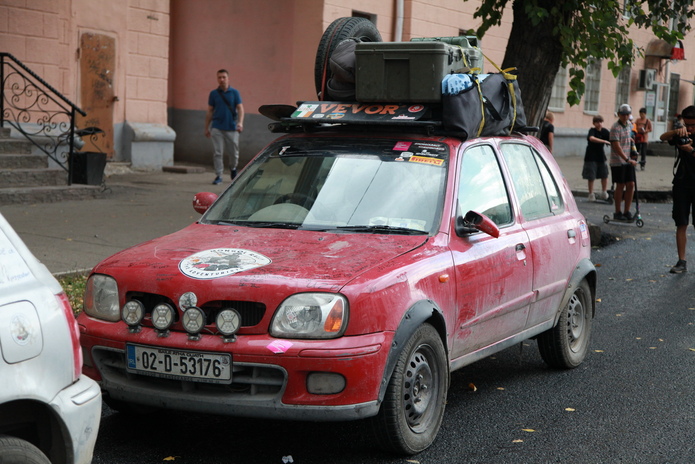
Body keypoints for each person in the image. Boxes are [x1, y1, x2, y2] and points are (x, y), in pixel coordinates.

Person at [659, 105, 695, 273]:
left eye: (693, 125)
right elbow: (662, 136)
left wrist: (692, 150)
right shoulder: (682, 133)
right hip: (682, 183)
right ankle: (681, 261)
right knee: (681, 223)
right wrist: (676, 132)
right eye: (686, 124)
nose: (689, 128)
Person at [205, 69, 244, 185]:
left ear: (228, 78)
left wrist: (240, 123)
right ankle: (219, 175)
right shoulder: (213, 94)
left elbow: (240, 108)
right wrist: (206, 127)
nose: (221, 79)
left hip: (232, 127)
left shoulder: (235, 93)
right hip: (217, 127)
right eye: (219, 77)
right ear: (217, 79)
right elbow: (210, 111)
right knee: (218, 152)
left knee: (234, 152)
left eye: (224, 77)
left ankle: (233, 168)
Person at [609, 104, 638, 221]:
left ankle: (627, 211)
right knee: (620, 185)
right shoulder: (615, 127)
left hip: (628, 160)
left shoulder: (629, 125)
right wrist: (626, 159)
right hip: (618, 161)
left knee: (631, 184)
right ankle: (617, 212)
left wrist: (633, 151)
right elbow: (616, 146)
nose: (625, 117)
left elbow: (629, 139)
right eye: (623, 114)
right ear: (619, 114)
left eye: (627, 114)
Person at [582, 115, 610, 202]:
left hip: (601, 156)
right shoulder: (592, 131)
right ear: (594, 123)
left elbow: (612, 138)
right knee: (591, 176)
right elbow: (591, 138)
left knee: (604, 174)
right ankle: (591, 194)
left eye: (601, 122)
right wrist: (604, 141)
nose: (599, 124)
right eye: (597, 122)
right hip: (591, 156)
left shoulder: (605, 131)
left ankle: (604, 192)